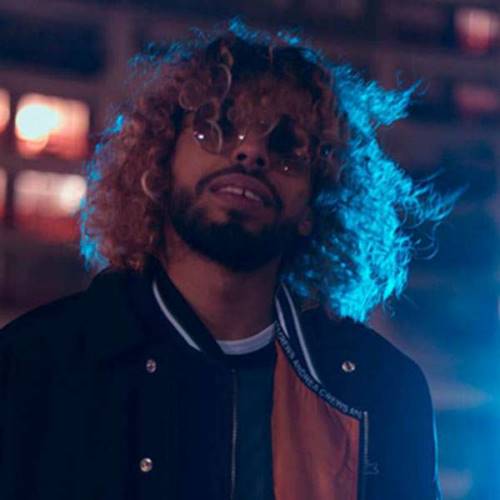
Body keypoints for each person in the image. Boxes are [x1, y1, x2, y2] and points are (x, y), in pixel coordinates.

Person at [0, 20, 459, 500]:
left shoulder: (381, 387)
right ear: (159, 162)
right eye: (215, 128)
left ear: (316, 203)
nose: (251, 152)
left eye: (287, 147)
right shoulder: (35, 364)